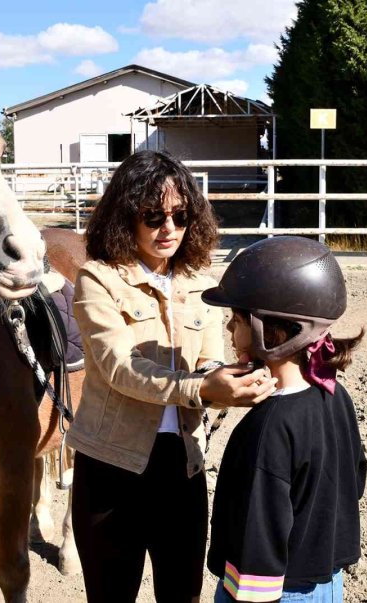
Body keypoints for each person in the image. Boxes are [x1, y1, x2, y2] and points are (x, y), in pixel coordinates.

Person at [67, 150, 278, 603]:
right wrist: (203, 387)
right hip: (110, 466)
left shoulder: (198, 281)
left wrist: (232, 383)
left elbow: (209, 361)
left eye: (180, 216)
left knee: (183, 595)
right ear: (126, 214)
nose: (169, 229)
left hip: (183, 465)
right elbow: (120, 367)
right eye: (153, 215)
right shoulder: (97, 279)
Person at [202, 236, 367, 603]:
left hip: (271, 592)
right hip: (326, 583)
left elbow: (257, 534)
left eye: (236, 319)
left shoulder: (268, 428)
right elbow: (353, 481)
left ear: (269, 330)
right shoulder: (335, 395)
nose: (229, 330)